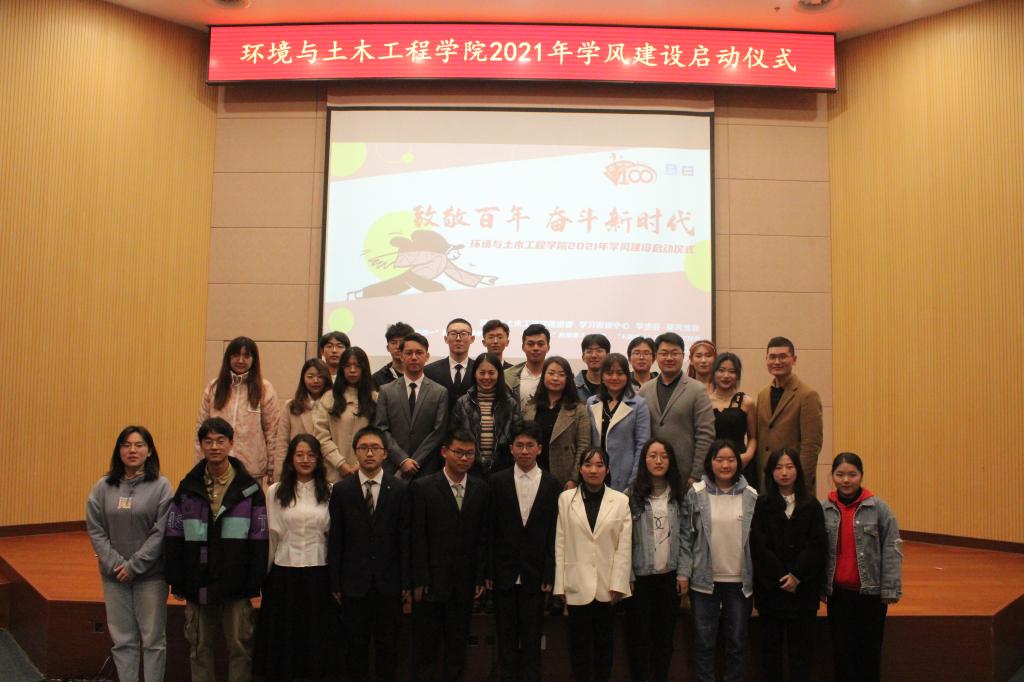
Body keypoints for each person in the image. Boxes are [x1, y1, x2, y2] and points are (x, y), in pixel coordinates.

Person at [165, 418, 269, 682]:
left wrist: (254, 581)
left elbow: (260, 539)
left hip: (237, 584)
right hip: (197, 582)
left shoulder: (249, 489)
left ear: (231, 443)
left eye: (220, 441)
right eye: (208, 441)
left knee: (239, 649)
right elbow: (174, 535)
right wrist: (177, 579)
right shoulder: (187, 487)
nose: (214, 447)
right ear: (201, 445)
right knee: (199, 648)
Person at [86, 426, 172, 682]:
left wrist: (134, 566)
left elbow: (161, 531)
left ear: (149, 451)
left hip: (151, 576)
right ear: (118, 451)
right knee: (123, 641)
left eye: (139, 445)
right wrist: (116, 564)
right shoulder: (103, 486)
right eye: (126, 445)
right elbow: (95, 528)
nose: (132, 450)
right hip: (114, 577)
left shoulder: (162, 486)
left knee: (153, 641)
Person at [328, 426, 411, 682]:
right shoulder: (342, 490)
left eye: (375, 448)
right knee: (355, 649)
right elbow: (336, 539)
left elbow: (405, 539)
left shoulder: (399, 489)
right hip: (353, 584)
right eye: (363, 448)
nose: (370, 453)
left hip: (389, 584)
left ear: (385, 453)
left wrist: (406, 582)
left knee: (388, 649)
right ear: (355, 452)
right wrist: (335, 582)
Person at [410, 429, 491, 682]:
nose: (464, 458)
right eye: (459, 452)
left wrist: (479, 577)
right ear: (444, 452)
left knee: (457, 648)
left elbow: (483, 538)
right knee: (426, 649)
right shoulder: (423, 487)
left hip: (464, 583)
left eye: (470, 453)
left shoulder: (481, 489)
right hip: (430, 584)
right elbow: (417, 537)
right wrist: (419, 578)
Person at [254, 434, 333, 682]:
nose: (305, 460)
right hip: (283, 572)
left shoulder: (330, 491)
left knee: (314, 635)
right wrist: (263, 577)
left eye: (311, 455)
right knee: (284, 637)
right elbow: (271, 536)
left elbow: (332, 535)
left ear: (318, 459)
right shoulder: (275, 491)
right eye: (299, 454)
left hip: (318, 571)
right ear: (291, 459)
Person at [487, 422, 561, 682]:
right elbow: (490, 530)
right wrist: (489, 570)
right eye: (519, 445)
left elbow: (554, 534)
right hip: (503, 572)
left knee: (532, 639)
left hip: (536, 573)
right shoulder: (496, 481)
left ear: (540, 449)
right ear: (511, 449)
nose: (524, 451)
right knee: (505, 637)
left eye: (530, 445)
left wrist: (550, 572)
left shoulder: (552, 484)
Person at [679, 439, 757, 682]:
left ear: (738, 463)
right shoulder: (696, 493)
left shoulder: (751, 495)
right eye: (719, 459)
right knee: (704, 641)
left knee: (737, 642)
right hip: (704, 582)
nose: (725, 465)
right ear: (710, 462)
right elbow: (686, 537)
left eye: (731, 459)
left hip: (739, 582)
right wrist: (683, 573)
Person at [553, 447, 632, 682]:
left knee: (604, 645)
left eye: (599, 465)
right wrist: (560, 585)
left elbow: (624, 547)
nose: (593, 470)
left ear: (607, 469)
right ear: (580, 469)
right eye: (588, 465)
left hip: (607, 586)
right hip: (576, 583)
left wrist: (619, 584)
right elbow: (560, 542)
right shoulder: (566, 499)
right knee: (579, 646)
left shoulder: (620, 501)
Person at [822, 452, 902, 682]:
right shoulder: (824, 509)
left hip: (871, 595)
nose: (846, 480)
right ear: (832, 476)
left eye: (852, 474)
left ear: (861, 476)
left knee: (869, 653)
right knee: (842, 653)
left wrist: (890, 588)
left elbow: (892, 550)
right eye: (840, 474)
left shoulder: (879, 509)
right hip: (838, 595)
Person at [750, 448, 827, 682]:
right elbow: (759, 546)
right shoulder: (762, 504)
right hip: (771, 590)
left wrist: (797, 575)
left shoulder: (811, 505)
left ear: (798, 470)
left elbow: (817, 546)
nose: (784, 473)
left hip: (803, 591)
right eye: (778, 467)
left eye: (789, 467)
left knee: (801, 652)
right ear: (770, 472)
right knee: (770, 651)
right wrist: (781, 576)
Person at [625, 439, 687, 682]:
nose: (658, 461)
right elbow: (623, 541)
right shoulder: (630, 495)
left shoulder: (680, 494)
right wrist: (628, 575)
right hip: (639, 580)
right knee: (638, 638)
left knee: (664, 639)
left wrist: (683, 573)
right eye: (652, 455)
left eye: (664, 456)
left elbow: (687, 537)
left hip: (669, 578)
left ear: (671, 461)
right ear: (644, 460)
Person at [195, 336, 281, 485]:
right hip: (217, 467)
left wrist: (273, 468)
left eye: (246, 356)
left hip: (251, 470)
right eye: (236, 355)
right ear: (228, 358)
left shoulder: (265, 389)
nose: (241, 360)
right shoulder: (214, 387)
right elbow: (200, 429)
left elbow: (272, 432)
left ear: (254, 360)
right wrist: (199, 464)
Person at [638, 332, 715, 488]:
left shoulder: (697, 390)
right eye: (664, 353)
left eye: (675, 353)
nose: (669, 358)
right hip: (651, 475)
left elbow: (706, 435)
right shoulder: (644, 390)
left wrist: (695, 474)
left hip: (685, 474)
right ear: (656, 356)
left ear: (683, 356)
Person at [374, 333, 448, 479]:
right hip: (393, 468)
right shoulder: (386, 390)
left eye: (419, 353)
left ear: (427, 356)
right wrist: (402, 460)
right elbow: (381, 428)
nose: (414, 357)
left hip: (426, 469)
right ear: (401, 356)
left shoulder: (440, 392)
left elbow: (438, 432)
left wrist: (415, 461)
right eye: (408, 353)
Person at [756, 337, 824, 495]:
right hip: (766, 483)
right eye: (772, 357)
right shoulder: (762, 395)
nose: (777, 362)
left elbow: (811, 445)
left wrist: (801, 484)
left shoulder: (807, 395)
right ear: (766, 359)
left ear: (794, 359)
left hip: (794, 485)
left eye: (782, 356)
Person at [450, 352, 523, 477]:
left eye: (491, 373)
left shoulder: (510, 403)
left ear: (499, 374)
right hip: (470, 466)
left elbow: (517, 436)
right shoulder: (462, 403)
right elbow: (454, 436)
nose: (486, 377)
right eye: (482, 373)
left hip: (502, 467)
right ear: (475, 374)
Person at [522, 356, 590, 488]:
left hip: (563, 476)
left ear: (568, 379)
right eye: (551, 373)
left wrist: (574, 478)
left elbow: (583, 446)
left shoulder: (579, 410)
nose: (555, 378)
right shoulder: (530, 407)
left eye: (561, 375)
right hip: (532, 472)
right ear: (543, 376)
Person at [586, 353, 651, 492]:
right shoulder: (591, 402)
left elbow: (642, 445)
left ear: (627, 376)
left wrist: (634, 480)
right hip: (595, 472)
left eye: (620, 373)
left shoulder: (639, 404)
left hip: (624, 475)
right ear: (602, 376)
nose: (614, 377)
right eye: (609, 373)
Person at [314, 346, 377, 483]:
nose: (352, 370)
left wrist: (360, 465)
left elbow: (380, 436)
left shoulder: (375, 399)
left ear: (364, 369)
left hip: (367, 471)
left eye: (357, 366)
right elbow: (321, 436)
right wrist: (340, 463)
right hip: (334, 472)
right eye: (347, 366)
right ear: (341, 369)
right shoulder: (329, 397)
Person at [275, 357, 331, 483]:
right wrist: (279, 475)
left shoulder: (335, 406)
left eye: (320, 376)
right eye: (310, 376)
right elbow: (282, 443)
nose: (315, 381)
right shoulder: (291, 406)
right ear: (303, 379)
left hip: (328, 470)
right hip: (297, 471)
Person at [709, 352, 758, 487]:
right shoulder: (705, 402)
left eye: (732, 371)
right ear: (714, 373)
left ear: (737, 375)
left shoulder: (747, 402)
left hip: (741, 462)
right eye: (721, 370)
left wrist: (747, 456)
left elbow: (753, 437)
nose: (726, 376)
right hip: (713, 463)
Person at [424, 317, 477, 414]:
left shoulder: (479, 369)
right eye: (453, 334)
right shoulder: (429, 371)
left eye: (463, 334)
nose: (458, 338)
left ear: (472, 339)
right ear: (446, 339)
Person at [505, 323, 550, 410]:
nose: (535, 348)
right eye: (530, 344)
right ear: (523, 347)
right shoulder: (508, 376)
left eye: (540, 344)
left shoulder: (558, 377)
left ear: (548, 347)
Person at [372, 321, 415, 389]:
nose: (398, 347)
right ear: (388, 348)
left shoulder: (422, 374)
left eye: (402, 342)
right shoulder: (377, 378)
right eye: (393, 343)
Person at [575, 333, 610, 401]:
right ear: (583, 357)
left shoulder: (615, 385)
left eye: (599, 351)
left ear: (608, 356)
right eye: (589, 351)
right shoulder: (573, 386)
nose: (594, 355)